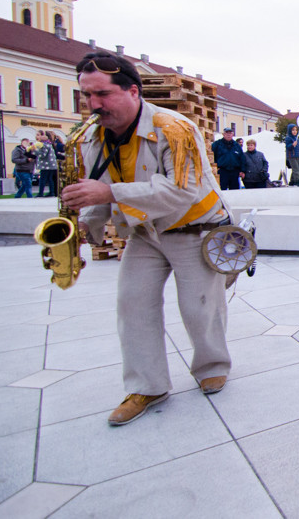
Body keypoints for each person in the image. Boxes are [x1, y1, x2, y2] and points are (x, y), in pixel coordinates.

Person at [61, 51, 232, 426]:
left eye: (102, 94)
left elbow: (180, 191)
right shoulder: (93, 136)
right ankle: (147, 385)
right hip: (146, 231)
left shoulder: (175, 128)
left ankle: (212, 365)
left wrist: (109, 196)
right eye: (86, 95)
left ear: (133, 91)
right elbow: (96, 187)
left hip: (194, 227)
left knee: (199, 306)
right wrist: (83, 230)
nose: (93, 105)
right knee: (132, 303)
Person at [35, 131, 60, 197]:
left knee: (42, 179)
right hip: (51, 165)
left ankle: (41, 193)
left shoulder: (44, 145)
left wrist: (35, 151)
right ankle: (52, 192)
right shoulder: (49, 144)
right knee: (50, 179)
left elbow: (42, 155)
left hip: (46, 165)